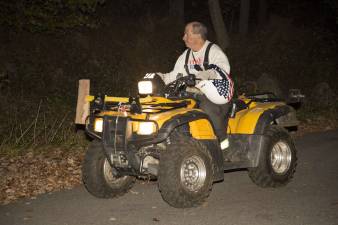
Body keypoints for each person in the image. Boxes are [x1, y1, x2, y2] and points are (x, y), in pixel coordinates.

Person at [157, 21, 234, 150]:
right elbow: (175, 75)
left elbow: (223, 70)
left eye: (186, 34)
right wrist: (159, 77)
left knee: (207, 109)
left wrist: (208, 74)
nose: (183, 38)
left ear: (197, 36)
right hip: (191, 95)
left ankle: (221, 143)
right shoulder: (186, 55)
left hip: (213, 96)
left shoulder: (213, 51)